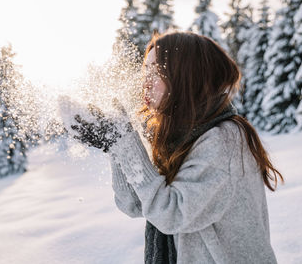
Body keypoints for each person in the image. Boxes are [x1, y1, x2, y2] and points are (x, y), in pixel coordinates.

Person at [68, 31, 284, 264]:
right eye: (145, 71)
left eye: (157, 72)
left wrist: (125, 143)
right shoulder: (177, 138)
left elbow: (170, 212)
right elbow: (134, 204)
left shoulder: (224, 139)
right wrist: (115, 144)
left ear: (188, 77)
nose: (146, 83)